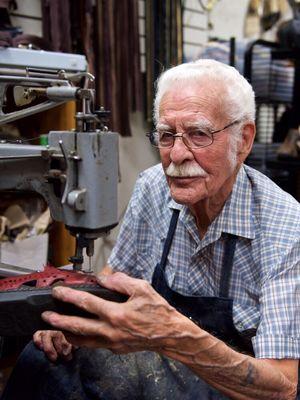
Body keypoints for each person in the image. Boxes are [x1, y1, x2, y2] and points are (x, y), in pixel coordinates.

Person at [2, 59, 300, 400]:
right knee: (46, 359)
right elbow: (116, 276)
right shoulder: (153, 186)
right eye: (166, 134)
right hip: (164, 364)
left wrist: (172, 336)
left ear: (243, 139)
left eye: (199, 135)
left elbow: (283, 385)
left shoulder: (286, 230)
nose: (176, 155)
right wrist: (79, 317)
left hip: (234, 387)